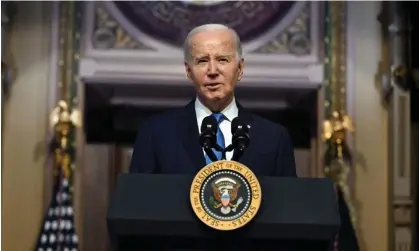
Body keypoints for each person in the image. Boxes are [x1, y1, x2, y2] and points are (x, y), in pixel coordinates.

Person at [129, 23, 296, 177]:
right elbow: (137, 202)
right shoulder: (156, 134)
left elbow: (288, 204)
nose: (212, 71)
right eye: (202, 61)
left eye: (222, 60)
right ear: (188, 71)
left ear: (240, 69)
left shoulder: (274, 138)